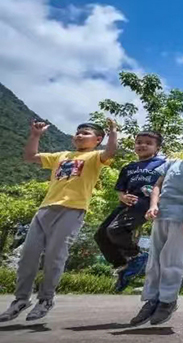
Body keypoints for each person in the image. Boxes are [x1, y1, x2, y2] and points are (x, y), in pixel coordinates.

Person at [0, 120, 117, 322]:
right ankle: (20, 300)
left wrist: (113, 133)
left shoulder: (95, 157)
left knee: (55, 255)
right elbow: (30, 157)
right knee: (28, 255)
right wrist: (35, 136)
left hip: (73, 210)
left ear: (98, 140)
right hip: (45, 209)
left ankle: (45, 299)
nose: (79, 135)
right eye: (77, 132)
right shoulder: (60, 156)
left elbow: (110, 152)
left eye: (85, 133)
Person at [130, 130, 183, 326]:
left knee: (173, 261)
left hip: (181, 219)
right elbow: (157, 186)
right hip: (162, 216)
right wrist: (153, 205)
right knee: (155, 261)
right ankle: (152, 300)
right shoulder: (170, 164)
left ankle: (167, 301)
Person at [94, 130, 165, 292]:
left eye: (148, 143)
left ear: (157, 148)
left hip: (145, 202)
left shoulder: (162, 164)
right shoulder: (128, 167)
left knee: (115, 230)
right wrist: (123, 197)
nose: (142, 145)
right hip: (126, 203)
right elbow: (120, 188)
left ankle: (137, 256)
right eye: (139, 142)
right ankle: (123, 266)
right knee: (101, 235)